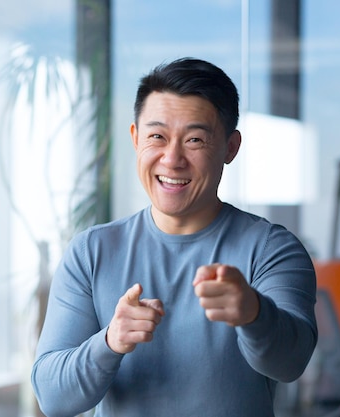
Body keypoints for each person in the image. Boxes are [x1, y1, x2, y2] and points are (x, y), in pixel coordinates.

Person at [31, 57, 317, 417]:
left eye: (195, 139)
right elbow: (52, 397)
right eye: (157, 137)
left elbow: (292, 363)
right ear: (136, 139)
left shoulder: (271, 249)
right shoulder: (92, 252)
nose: (172, 158)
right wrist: (110, 340)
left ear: (230, 148)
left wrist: (254, 314)